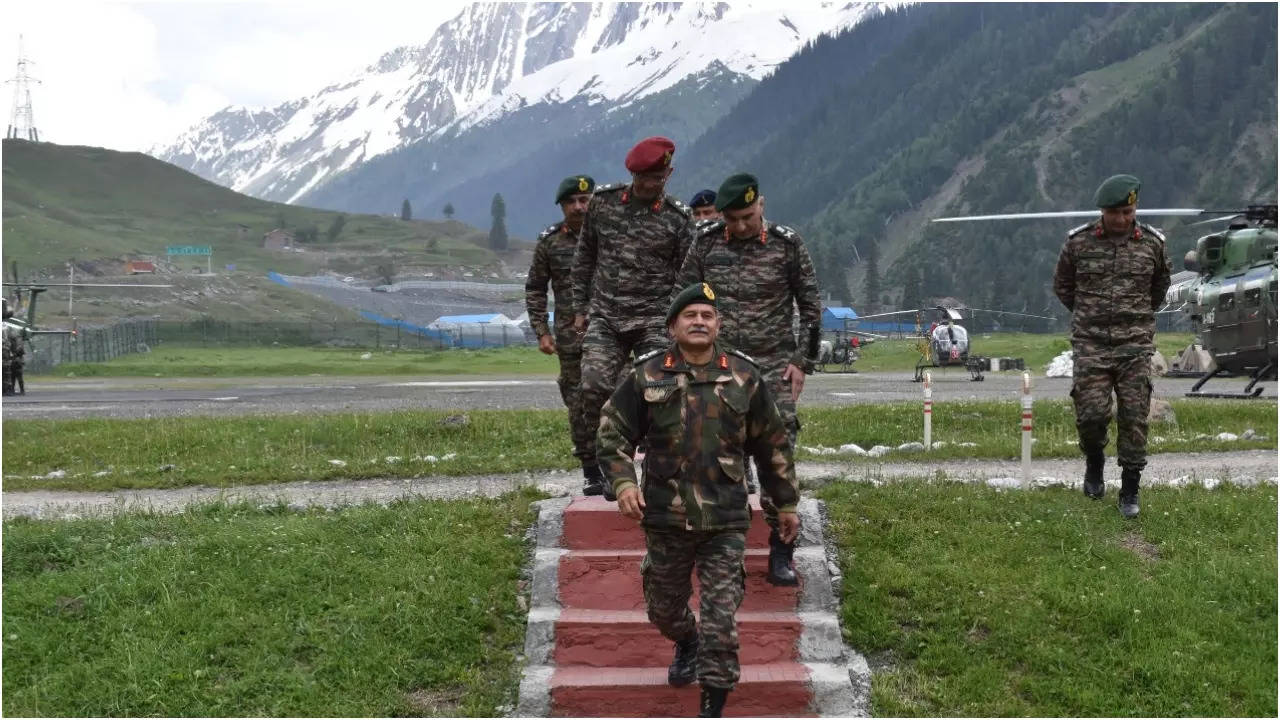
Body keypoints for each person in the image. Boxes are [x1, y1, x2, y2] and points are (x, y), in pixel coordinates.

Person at [597, 282, 799, 718]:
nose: (700, 322)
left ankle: (713, 705)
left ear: (718, 325)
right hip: (666, 518)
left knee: (721, 622)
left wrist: (785, 505)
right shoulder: (647, 375)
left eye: (708, 316)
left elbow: (774, 446)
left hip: (725, 521)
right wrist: (623, 484)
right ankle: (685, 641)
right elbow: (612, 433)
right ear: (673, 326)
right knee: (665, 610)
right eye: (690, 315)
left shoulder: (744, 376)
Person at [674, 173, 821, 585]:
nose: (739, 226)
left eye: (747, 216)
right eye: (731, 219)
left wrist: (802, 362)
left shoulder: (786, 244)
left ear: (762, 207)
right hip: (718, 367)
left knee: (778, 457)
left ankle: (781, 549)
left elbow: (810, 306)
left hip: (773, 365)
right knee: (720, 461)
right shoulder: (704, 244)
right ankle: (726, 553)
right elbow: (682, 300)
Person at [571, 136, 696, 498]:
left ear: (668, 174)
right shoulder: (604, 204)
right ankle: (612, 467)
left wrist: (676, 320)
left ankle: (657, 469)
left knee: (660, 392)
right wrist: (581, 308)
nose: (645, 184)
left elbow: (687, 275)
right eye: (639, 177)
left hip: (654, 320)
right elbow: (584, 259)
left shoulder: (678, 219)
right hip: (607, 317)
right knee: (593, 386)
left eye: (654, 178)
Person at [1053, 174, 1172, 519]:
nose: (1121, 218)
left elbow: (1159, 289)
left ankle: (1130, 489)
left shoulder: (1152, 244)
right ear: (1102, 212)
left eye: (1127, 211)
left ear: (1134, 208)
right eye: (1114, 212)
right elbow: (1063, 287)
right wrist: (1091, 316)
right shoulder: (1078, 243)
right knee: (1091, 415)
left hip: (1135, 346)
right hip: (1091, 344)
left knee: (1134, 418)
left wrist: (1133, 318)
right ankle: (1094, 461)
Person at [526, 175, 598, 493]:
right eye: (572, 202)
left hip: (615, 332)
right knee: (579, 401)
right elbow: (536, 288)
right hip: (572, 339)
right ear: (562, 206)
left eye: (585, 200)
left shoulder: (610, 237)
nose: (579, 207)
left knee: (620, 398)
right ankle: (592, 469)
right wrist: (541, 331)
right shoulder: (551, 242)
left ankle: (619, 466)